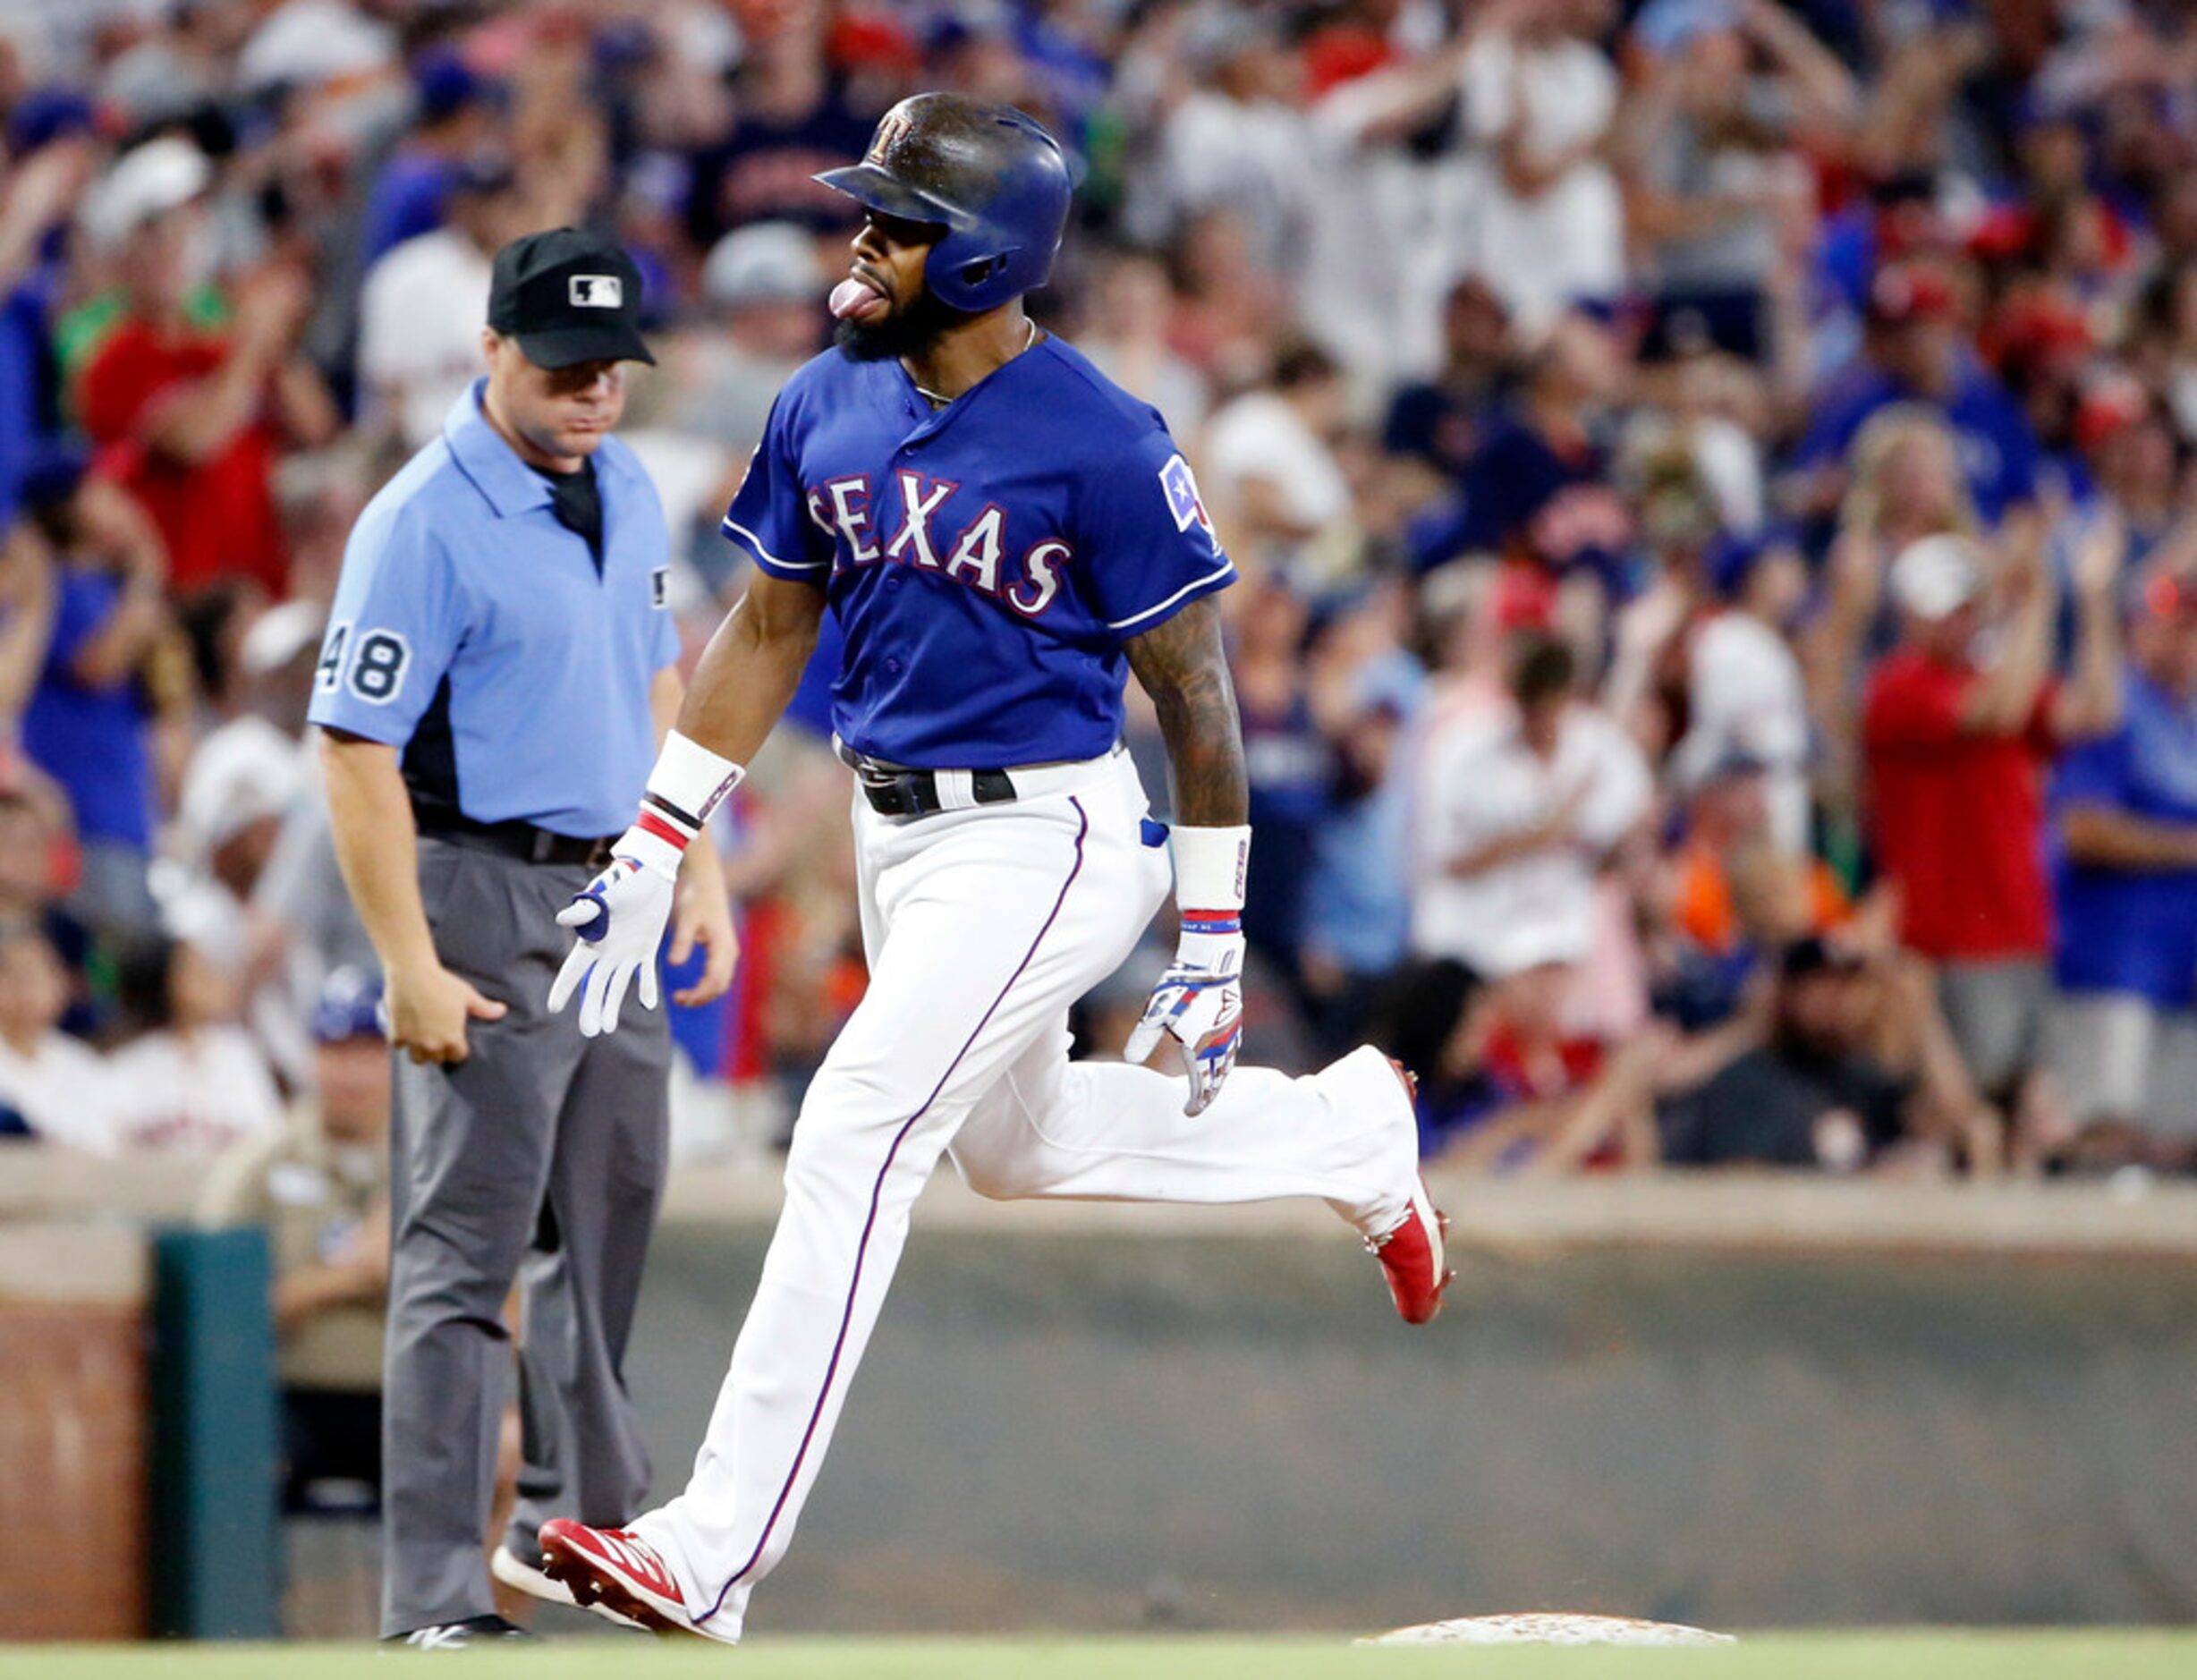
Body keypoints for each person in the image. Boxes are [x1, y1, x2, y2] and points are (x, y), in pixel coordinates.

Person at [530, 94, 1447, 1643]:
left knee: (856, 1126)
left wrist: (1211, 937)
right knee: (1012, 1151)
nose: (862, 244)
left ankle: (711, 1543)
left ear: (984, 259)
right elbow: (765, 628)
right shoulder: (829, 396)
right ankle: (1349, 1130)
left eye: (897, 224)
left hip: (1049, 830)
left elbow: (1197, 696)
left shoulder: (1099, 435)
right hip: (902, 831)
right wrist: (658, 827)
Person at [309, 228, 735, 1650]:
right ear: (493, 348)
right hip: (480, 889)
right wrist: (408, 962)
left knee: (606, 1228)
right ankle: (435, 1600)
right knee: (463, 1255)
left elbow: (660, 674)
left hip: (616, 883)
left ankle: (585, 1539)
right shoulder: (421, 519)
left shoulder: (623, 484)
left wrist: (697, 863)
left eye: (611, 364)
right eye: (563, 362)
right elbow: (352, 749)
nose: (592, 388)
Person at [1861, 525, 2123, 1104]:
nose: (1961, 622)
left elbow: (2097, 713)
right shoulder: (1897, 687)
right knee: (1954, 1093)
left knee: (2018, 1090)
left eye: (1966, 609)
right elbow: (1997, 712)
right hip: (1944, 931)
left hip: (2017, 916)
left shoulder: (1986, 677)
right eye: (1947, 611)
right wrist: (2035, 606)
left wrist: (2093, 601)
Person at [197, 969, 394, 1514]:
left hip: (410, 1403)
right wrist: (353, 1277)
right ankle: (243, 1601)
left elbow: (503, 1313)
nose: (352, 1073)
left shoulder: (431, 1170)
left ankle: (472, 1604)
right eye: (336, 1051)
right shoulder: (259, 1166)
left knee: (501, 1460)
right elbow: (221, 1316)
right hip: (285, 1396)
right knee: (240, 1460)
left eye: (370, 1052)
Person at [2046, 573, 2197, 1146]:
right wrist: (2186, 847)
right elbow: (2081, 830)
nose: (2185, 643)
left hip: (2181, 973)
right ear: (2138, 631)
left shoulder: (2189, 717)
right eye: (2172, 628)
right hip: (2110, 965)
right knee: (2104, 1132)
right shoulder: (2113, 707)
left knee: (2176, 1143)